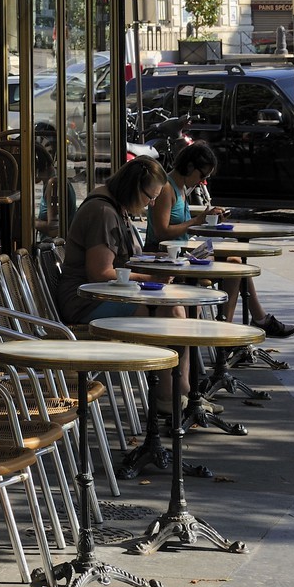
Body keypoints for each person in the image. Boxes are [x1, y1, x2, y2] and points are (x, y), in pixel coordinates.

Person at [56, 154, 188, 409]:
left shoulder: (113, 206)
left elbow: (121, 263)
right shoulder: (103, 212)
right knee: (169, 311)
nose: (151, 204)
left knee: (175, 307)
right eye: (150, 197)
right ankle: (170, 397)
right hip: (86, 303)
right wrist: (150, 277)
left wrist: (153, 262)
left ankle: (180, 393)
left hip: (101, 297)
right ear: (133, 188)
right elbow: (101, 273)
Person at [147, 141, 294, 338]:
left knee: (236, 261)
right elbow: (161, 232)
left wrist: (207, 219)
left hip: (183, 254)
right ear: (190, 166)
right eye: (202, 176)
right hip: (167, 257)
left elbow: (181, 223)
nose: (202, 181)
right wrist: (196, 221)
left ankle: (232, 329)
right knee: (234, 265)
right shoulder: (167, 188)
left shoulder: (181, 187)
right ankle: (239, 328)